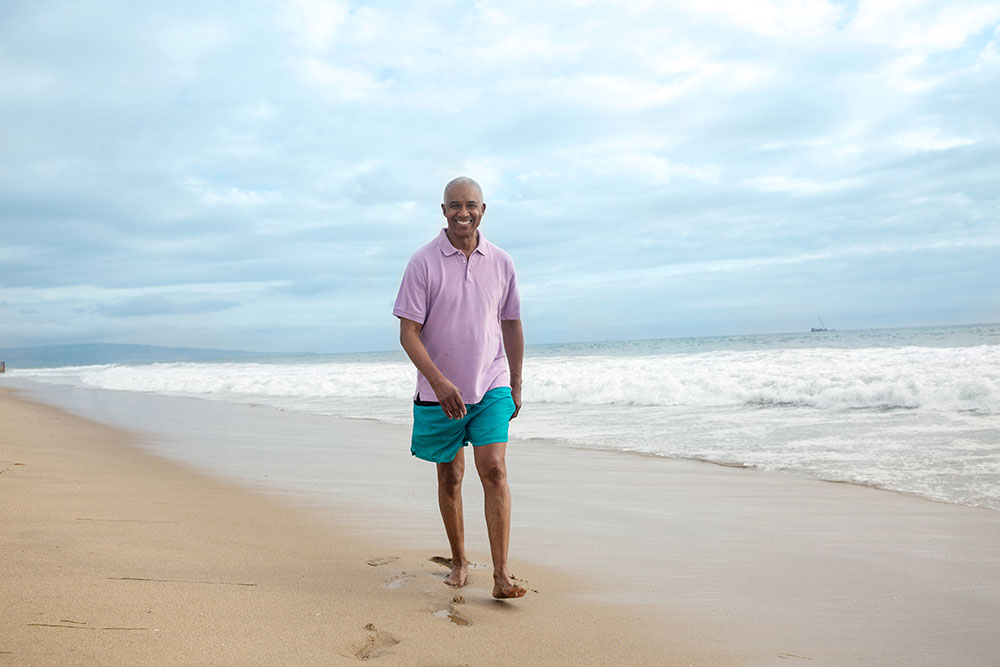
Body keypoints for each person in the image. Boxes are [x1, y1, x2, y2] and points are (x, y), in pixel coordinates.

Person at [393, 176, 526, 600]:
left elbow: (511, 324)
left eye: (471, 205)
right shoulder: (422, 262)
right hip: (440, 391)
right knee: (451, 478)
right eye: (455, 205)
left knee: (495, 470)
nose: (463, 212)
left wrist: (516, 383)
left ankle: (502, 575)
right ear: (444, 210)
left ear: (483, 210)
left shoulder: (502, 261)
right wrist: (439, 381)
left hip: (491, 383)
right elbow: (408, 333)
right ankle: (460, 560)